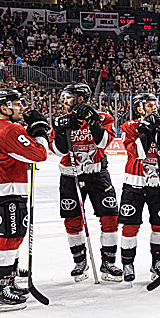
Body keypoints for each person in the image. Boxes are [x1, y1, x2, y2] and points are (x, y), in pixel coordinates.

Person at [0, 88, 50, 312]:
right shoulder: (8, 129)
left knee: (7, 240)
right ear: (4, 108)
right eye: (16, 104)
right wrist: (40, 130)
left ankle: (8, 283)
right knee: (9, 242)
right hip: (5, 190)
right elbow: (39, 154)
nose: (21, 108)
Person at [49, 83, 120, 282]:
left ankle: (109, 262)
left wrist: (92, 122)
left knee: (110, 217)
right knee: (72, 220)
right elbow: (58, 151)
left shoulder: (103, 117)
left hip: (97, 174)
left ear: (81, 98)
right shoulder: (60, 120)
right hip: (70, 176)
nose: (64, 101)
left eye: (69, 97)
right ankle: (79, 261)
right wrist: (62, 130)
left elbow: (104, 143)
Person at [117, 93, 160, 282]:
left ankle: (157, 262)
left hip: (159, 185)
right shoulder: (129, 127)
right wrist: (147, 130)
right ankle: (127, 264)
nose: (154, 108)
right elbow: (139, 153)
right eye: (149, 105)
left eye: (155, 105)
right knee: (130, 225)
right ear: (139, 109)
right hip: (134, 183)